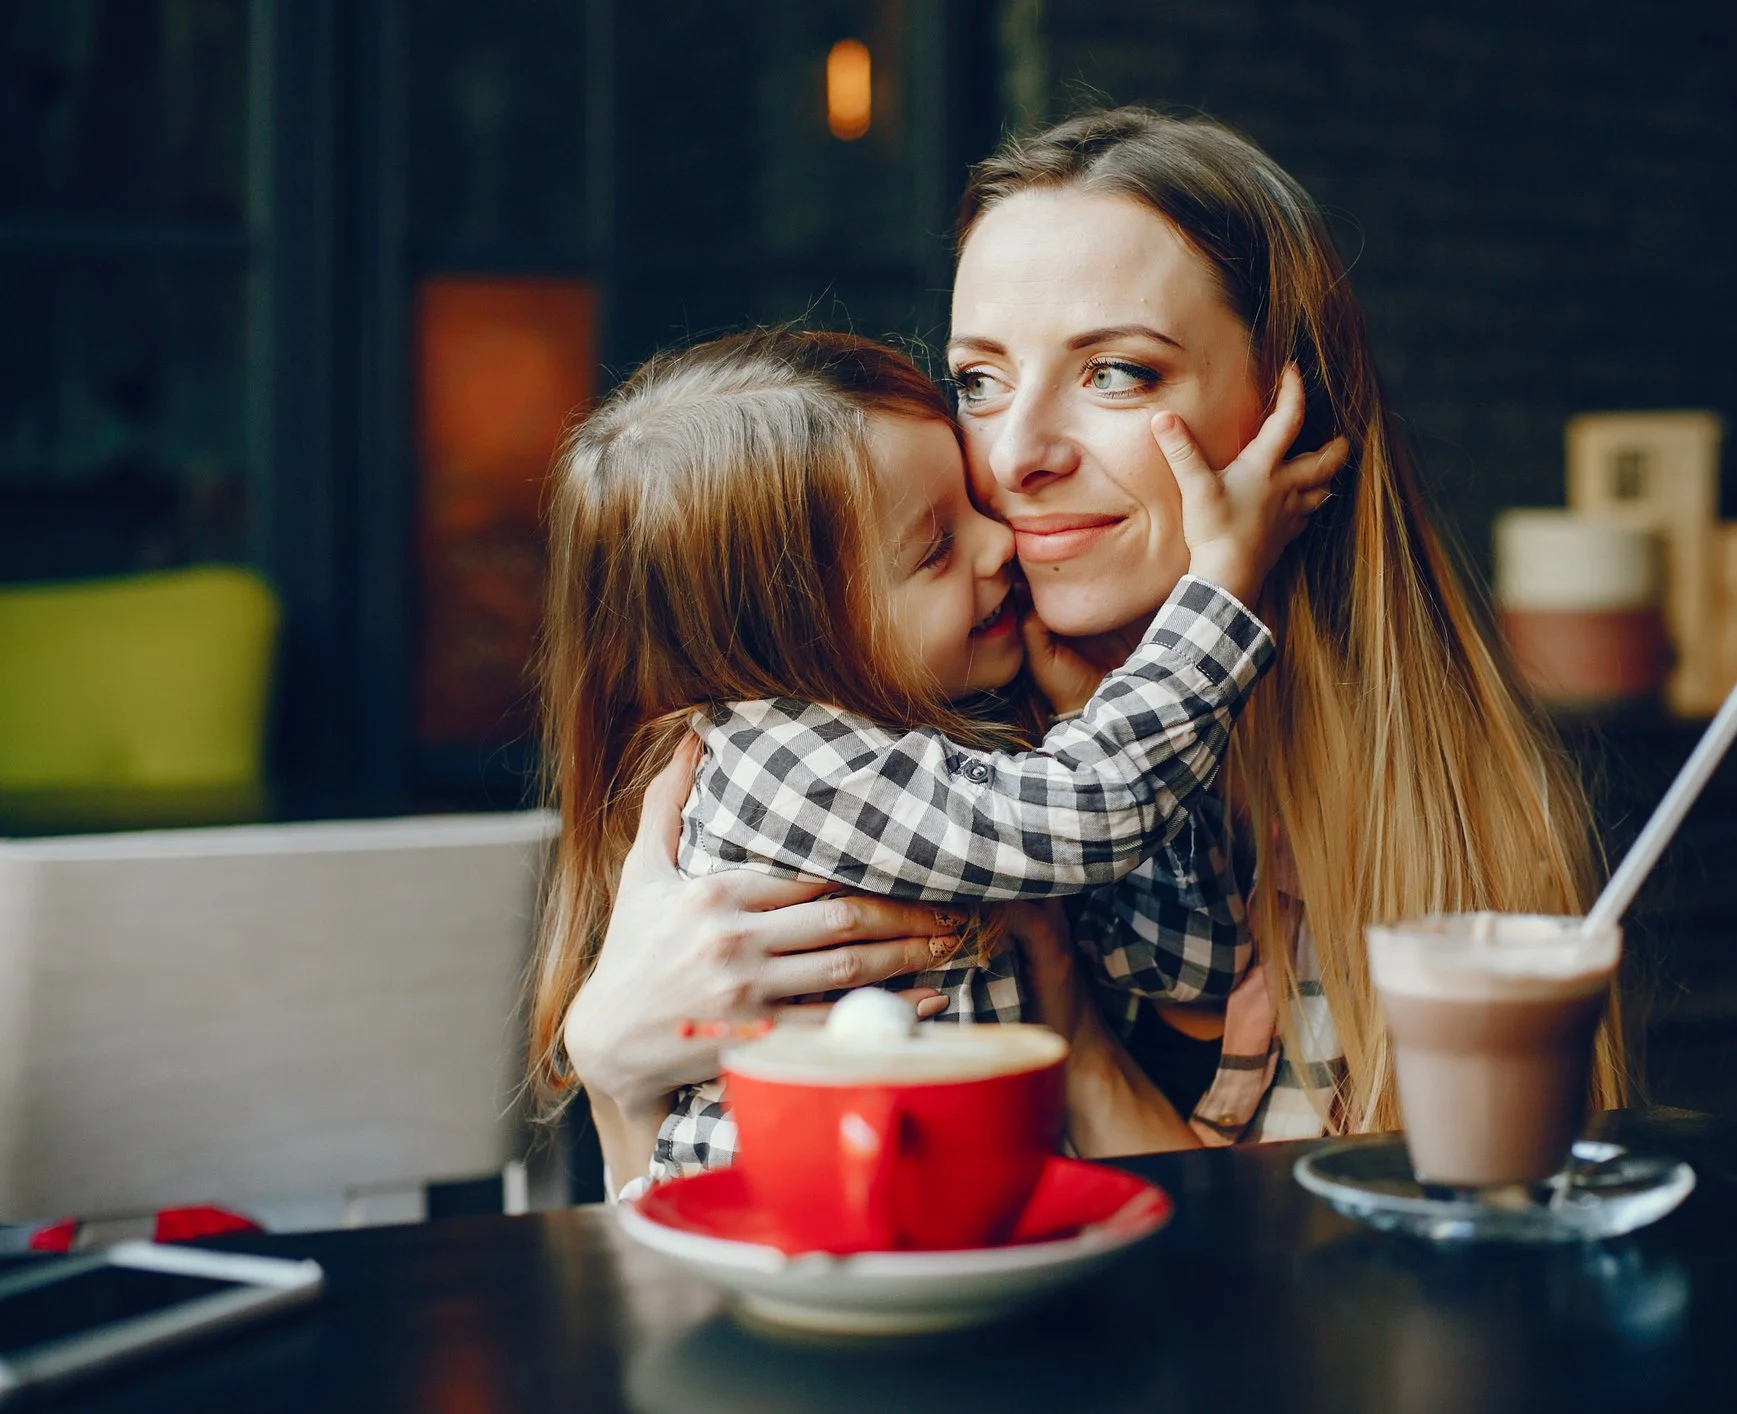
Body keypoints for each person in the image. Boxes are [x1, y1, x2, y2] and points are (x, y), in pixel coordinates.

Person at [561, 108, 1622, 1193]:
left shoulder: (1417, 814)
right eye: (977, 380)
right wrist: (616, 1077)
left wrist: (1081, 1029)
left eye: (1117, 372)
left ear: (1284, 415)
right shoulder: (916, 719)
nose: (1018, 457)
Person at [526, 327, 1342, 1181]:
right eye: (936, 548)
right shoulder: (782, 764)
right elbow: (1094, 812)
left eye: (973, 509)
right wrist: (1217, 581)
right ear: (794, 640)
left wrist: (1093, 719)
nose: (1000, 546)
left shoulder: (954, 745)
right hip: (792, 1236)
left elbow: (1186, 963)